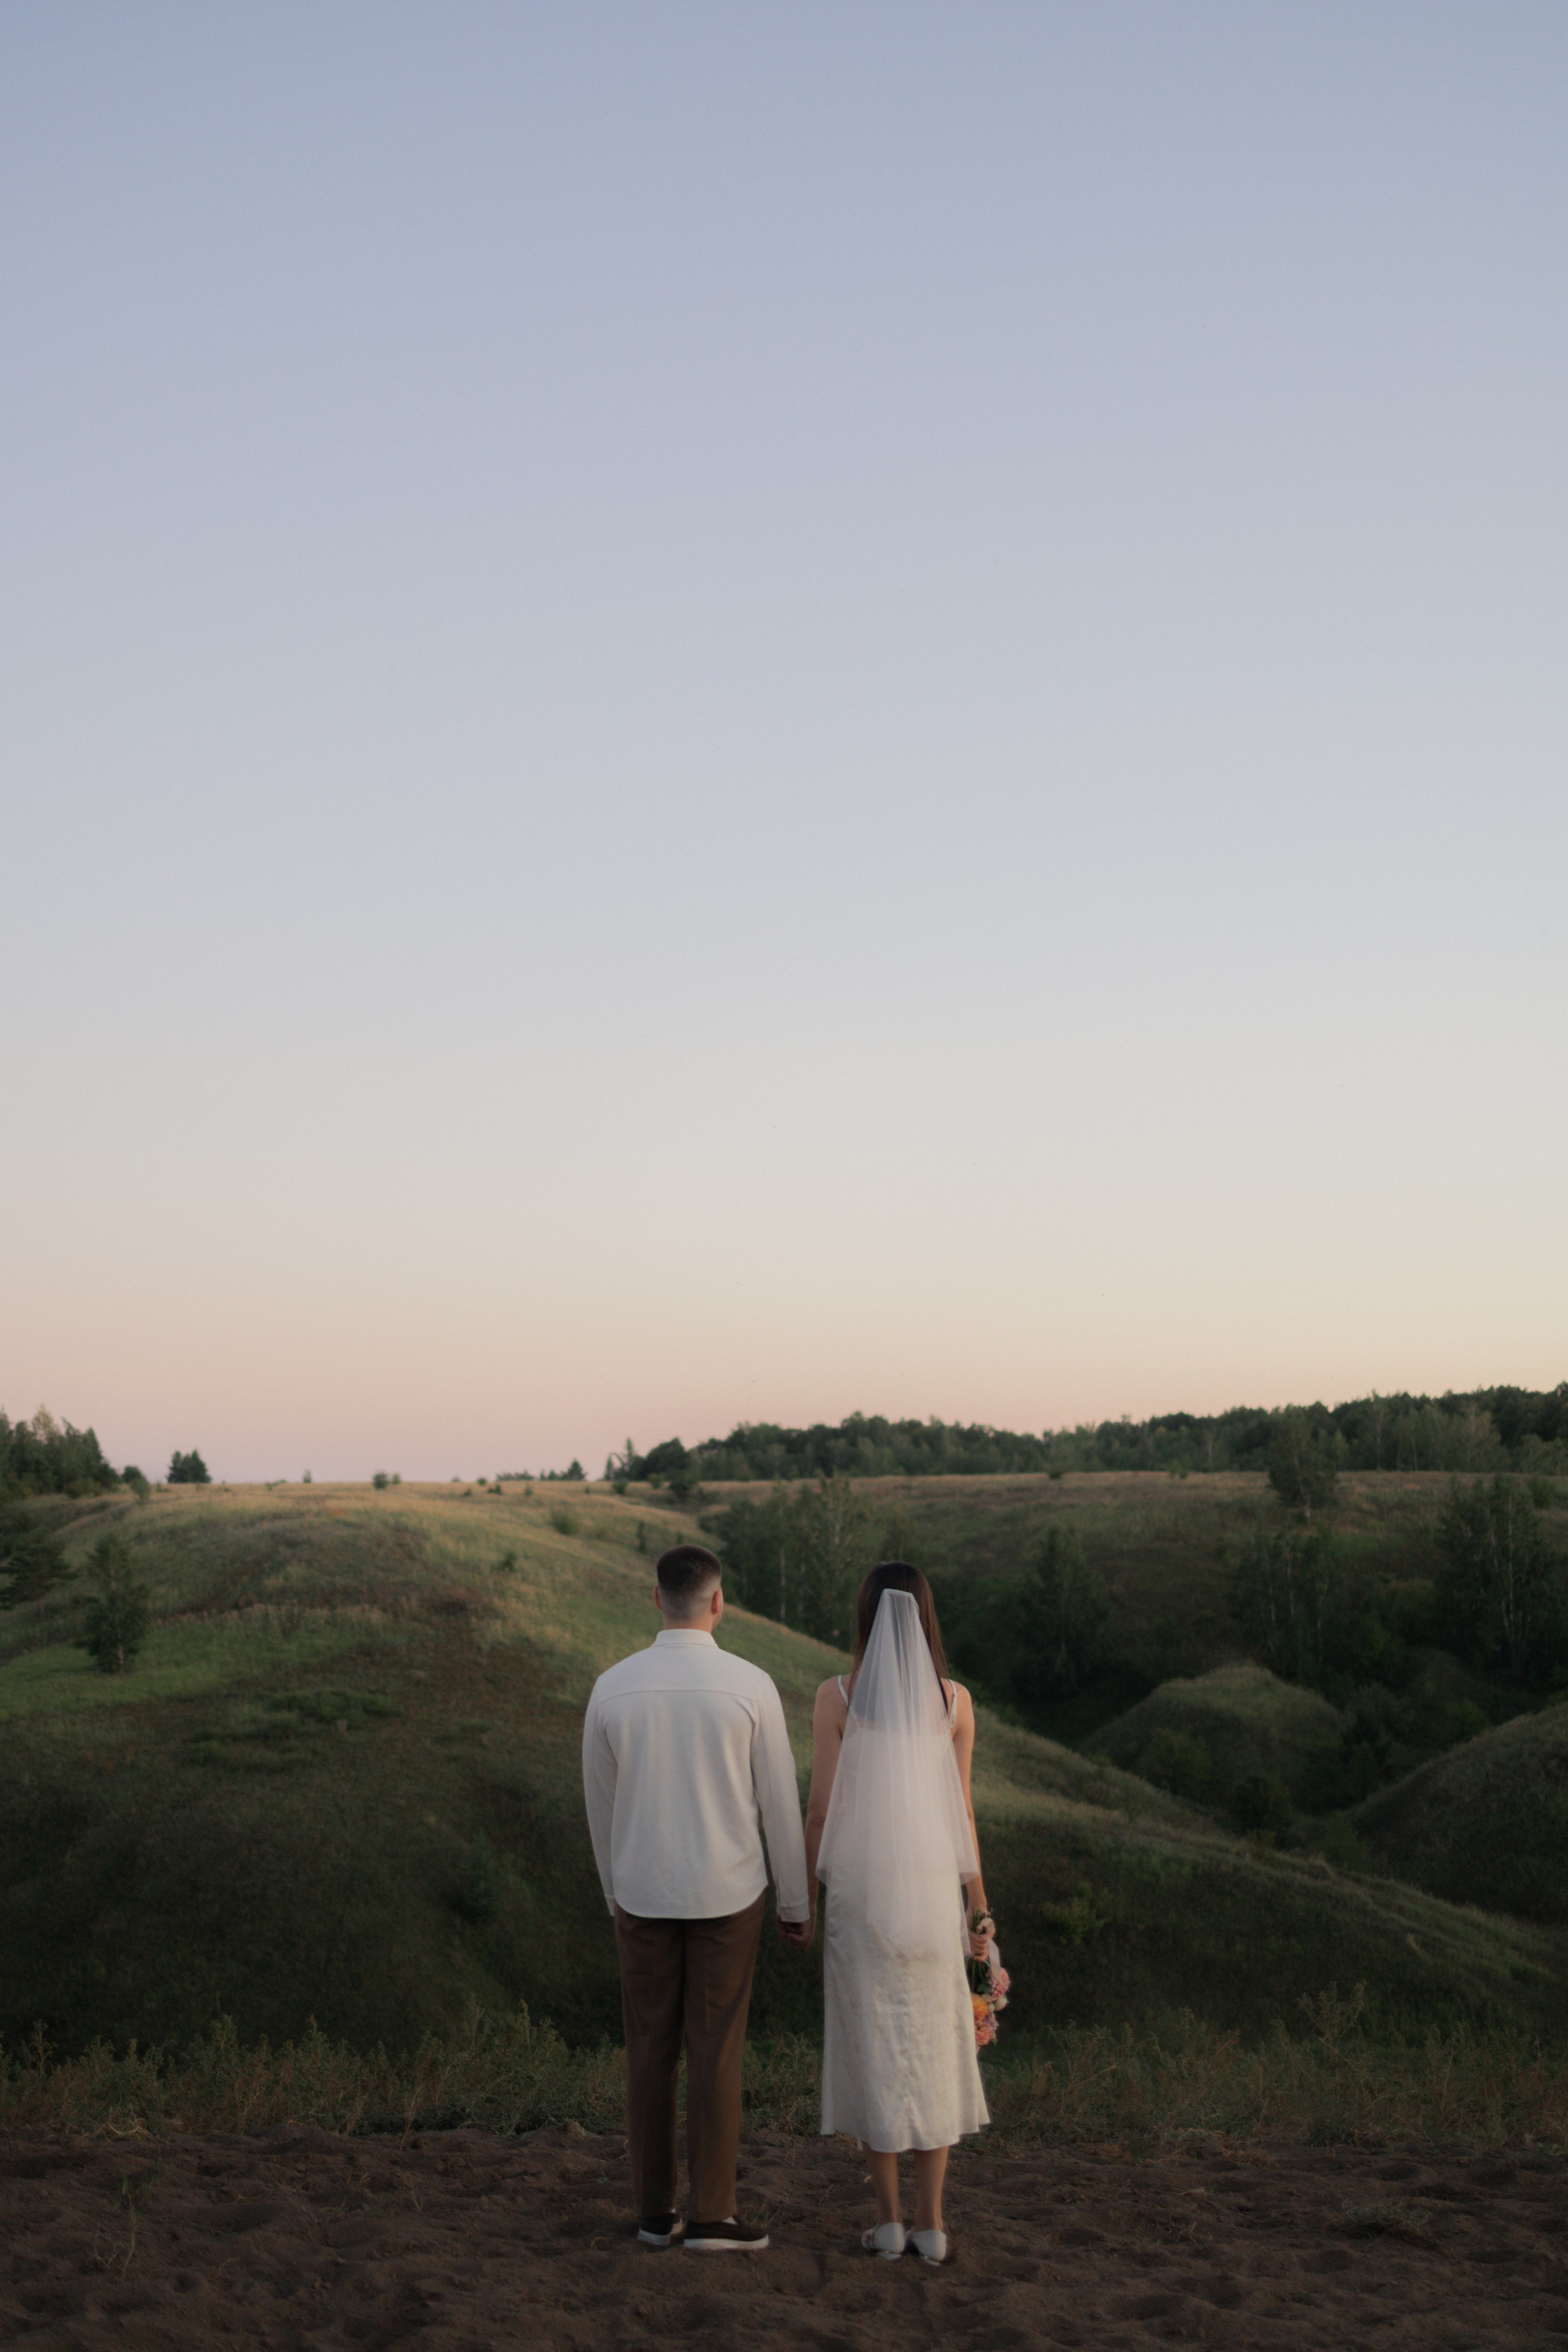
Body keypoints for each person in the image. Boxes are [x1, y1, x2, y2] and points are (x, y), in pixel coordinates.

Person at [582, 1543, 812, 2253]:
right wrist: (795, 1903)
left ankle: (655, 2213)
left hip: (642, 1892)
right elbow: (778, 1800)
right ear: (718, 1603)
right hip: (728, 1892)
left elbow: (600, 1805)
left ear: (656, 1599)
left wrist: (612, 1894)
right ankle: (713, 2214)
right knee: (716, 2053)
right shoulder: (750, 1685)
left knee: (649, 2049)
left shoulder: (612, 1687)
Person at [802, 1562, 992, 2266]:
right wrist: (978, 1910)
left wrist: (805, 1902)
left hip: (862, 1904)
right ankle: (933, 2225)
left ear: (864, 1619)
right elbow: (962, 1814)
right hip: (932, 1904)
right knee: (934, 2053)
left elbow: (819, 1811)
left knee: (873, 2051)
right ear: (927, 1620)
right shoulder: (954, 1703)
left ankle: (885, 2224)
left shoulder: (837, 1697)